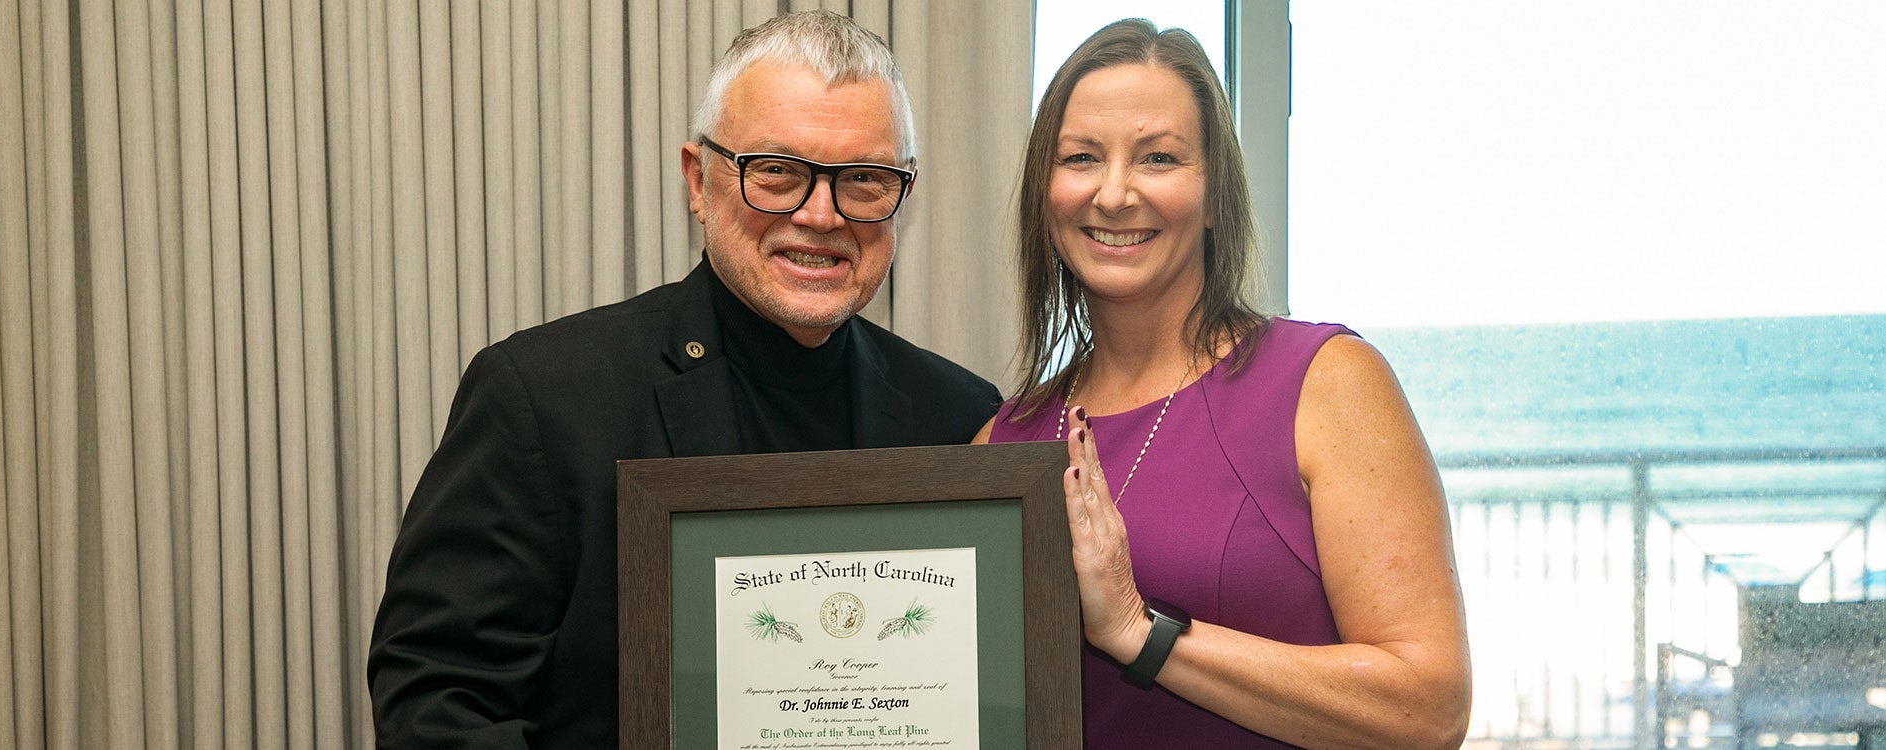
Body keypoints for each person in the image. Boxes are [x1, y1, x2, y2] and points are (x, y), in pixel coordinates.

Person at [367, 11, 1000, 748]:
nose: (821, 214)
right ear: (698, 181)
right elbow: (433, 702)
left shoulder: (960, 416)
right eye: (777, 172)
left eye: (862, 179)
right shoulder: (543, 395)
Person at [974, 20, 1472, 749]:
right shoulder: (999, 441)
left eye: (1158, 158)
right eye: (1080, 157)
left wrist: (1136, 632)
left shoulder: (1323, 382)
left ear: (1214, 199)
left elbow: (1426, 711)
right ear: (1044, 195)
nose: (1114, 194)